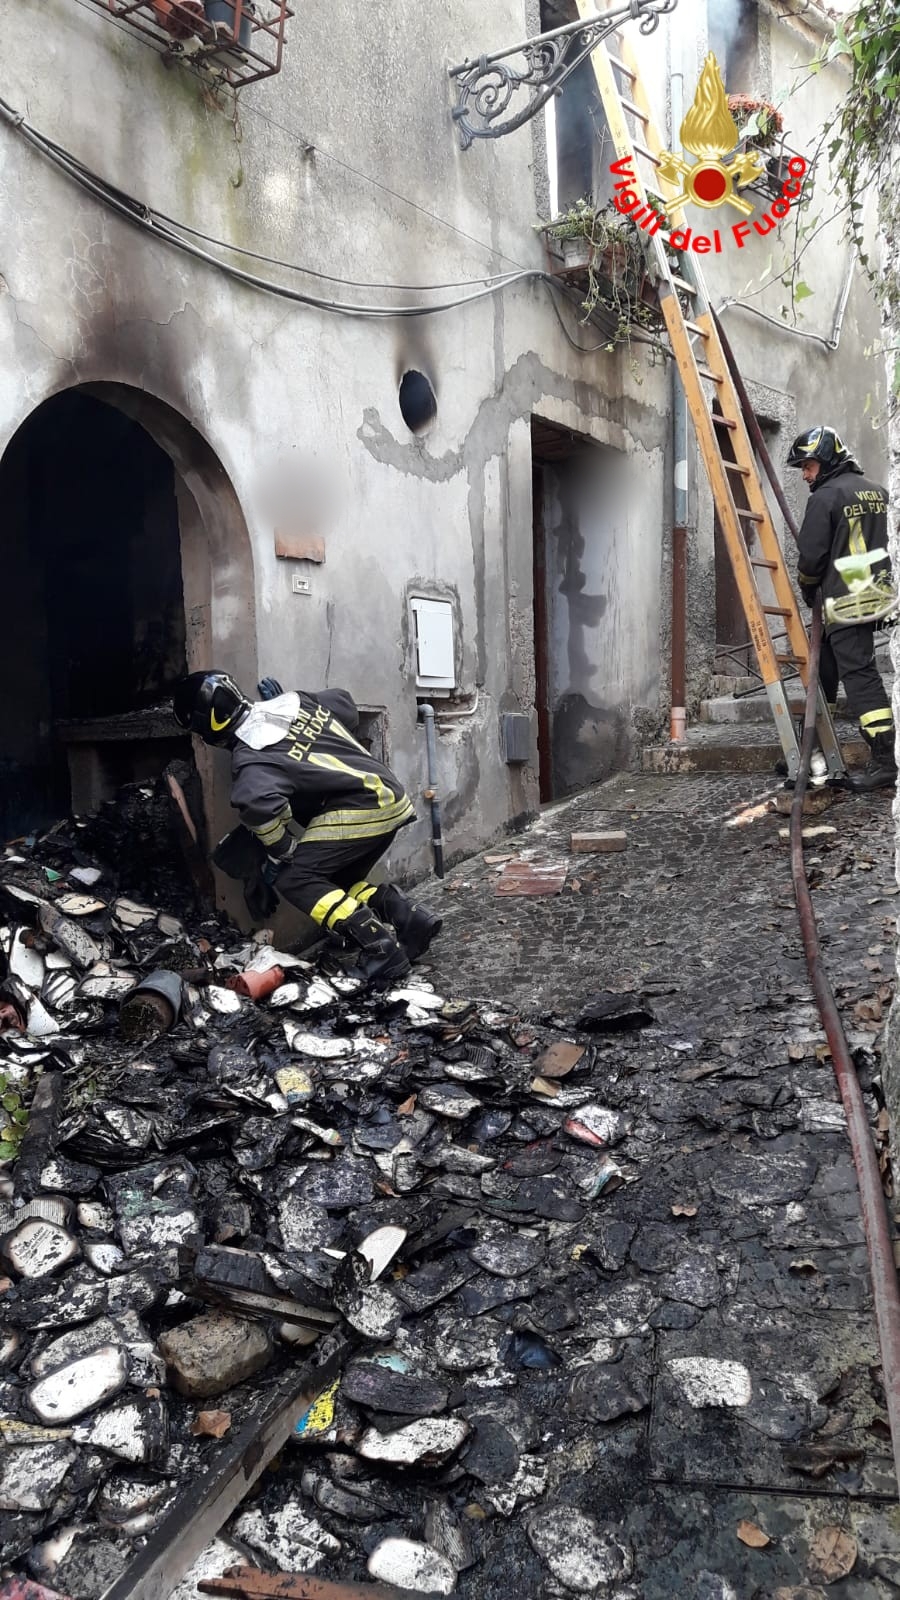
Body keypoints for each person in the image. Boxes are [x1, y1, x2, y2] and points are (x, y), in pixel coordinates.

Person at [172, 671, 442, 988]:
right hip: (388, 795)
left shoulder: (251, 759)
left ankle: (381, 950)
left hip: (363, 808)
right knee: (336, 882)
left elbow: (258, 806)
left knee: (296, 879)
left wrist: (283, 851)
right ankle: (411, 919)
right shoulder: (293, 702)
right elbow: (346, 707)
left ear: (206, 728)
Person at [787, 425, 896, 792]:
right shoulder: (878, 491)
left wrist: (807, 588)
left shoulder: (825, 498)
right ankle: (814, 750)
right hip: (878, 592)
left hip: (847, 598)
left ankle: (885, 759)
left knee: (860, 675)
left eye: (808, 466)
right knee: (826, 668)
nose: (805, 475)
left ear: (828, 460)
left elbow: (811, 558)